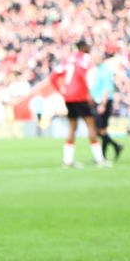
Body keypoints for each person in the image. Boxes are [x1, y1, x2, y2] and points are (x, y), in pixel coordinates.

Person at [51, 38, 109, 168]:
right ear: (83, 47)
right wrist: (88, 93)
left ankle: (67, 160)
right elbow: (84, 75)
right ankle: (99, 159)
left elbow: (53, 76)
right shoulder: (85, 59)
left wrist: (61, 91)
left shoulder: (68, 60)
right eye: (87, 46)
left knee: (72, 127)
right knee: (90, 125)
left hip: (68, 97)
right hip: (80, 96)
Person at [90, 43, 123, 162]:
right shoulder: (98, 69)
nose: (93, 60)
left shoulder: (105, 70)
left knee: (101, 130)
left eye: (94, 57)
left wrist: (103, 104)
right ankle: (115, 147)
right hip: (98, 102)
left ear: (100, 58)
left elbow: (107, 88)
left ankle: (103, 155)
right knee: (99, 130)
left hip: (104, 102)